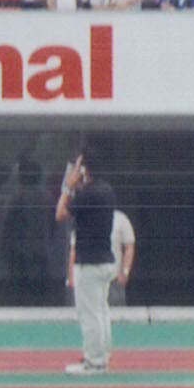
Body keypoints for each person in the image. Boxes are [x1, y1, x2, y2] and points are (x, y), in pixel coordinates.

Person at [56, 153, 117, 374]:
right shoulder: (107, 190)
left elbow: (60, 213)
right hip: (105, 259)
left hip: (89, 262)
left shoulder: (88, 194)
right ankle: (102, 356)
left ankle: (94, 361)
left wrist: (68, 188)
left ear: (84, 169)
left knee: (89, 314)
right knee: (101, 312)